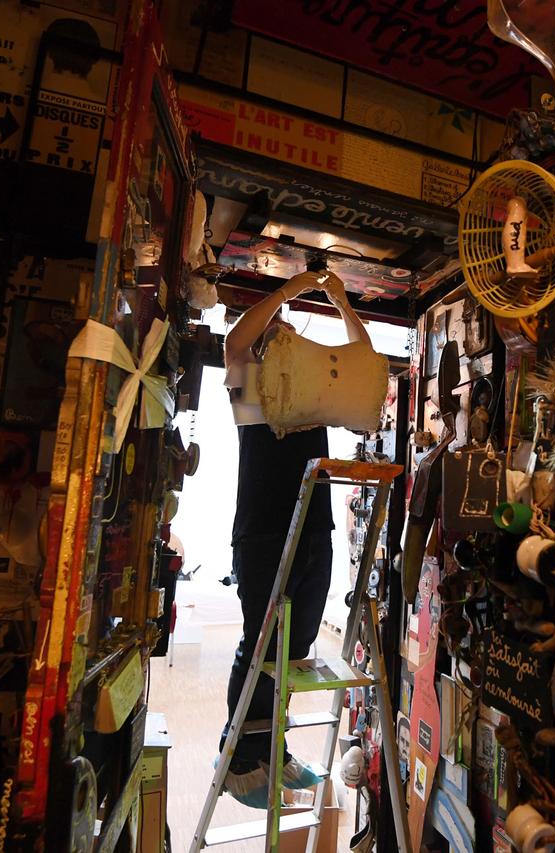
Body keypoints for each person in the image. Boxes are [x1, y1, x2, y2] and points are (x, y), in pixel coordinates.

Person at [218, 261, 372, 807]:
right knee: (260, 645)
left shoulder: (314, 393)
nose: (282, 330)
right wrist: (290, 291)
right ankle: (239, 761)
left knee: (296, 649)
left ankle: (271, 751)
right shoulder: (250, 387)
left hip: (315, 532)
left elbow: (365, 361)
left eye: (286, 324)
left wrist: (342, 304)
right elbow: (236, 342)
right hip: (262, 534)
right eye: (274, 328)